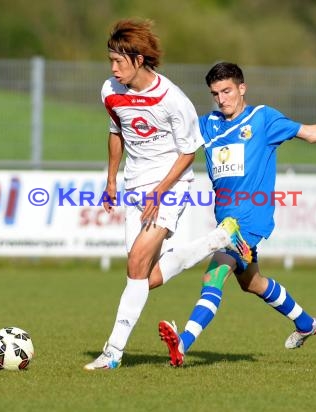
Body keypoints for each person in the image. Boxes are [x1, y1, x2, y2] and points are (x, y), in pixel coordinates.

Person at [159, 62, 316, 366]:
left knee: (214, 275)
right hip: (225, 217)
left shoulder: (263, 119)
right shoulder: (208, 124)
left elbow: (311, 134)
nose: (221, 99)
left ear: (242, 88)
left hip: (249, 219)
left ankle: (182, 344)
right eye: (215, 94)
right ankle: (307, 323)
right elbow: (173, 141)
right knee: (252, 283)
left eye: (227, 91)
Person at [84, 22, 251, 371]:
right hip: (134, 185)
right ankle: (217, 240)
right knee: (144, 277)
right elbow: (116, 132)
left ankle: (113, 352)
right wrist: (112, 179)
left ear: (139, 59)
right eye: (110, 60)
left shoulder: (173, 100)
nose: (113, 68)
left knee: (136, 264)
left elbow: (188, 152)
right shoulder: (110, 90)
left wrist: (160, 193)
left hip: (171, 185)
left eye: (118, 61)